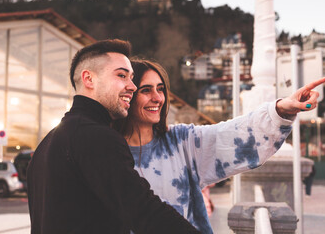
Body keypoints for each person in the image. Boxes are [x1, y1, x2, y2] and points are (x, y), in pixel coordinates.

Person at [113, 59, 325, 233]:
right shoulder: (106, 151)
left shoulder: (180, 142)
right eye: (146, 90)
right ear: (128, 95)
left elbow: (231, 135)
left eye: (160, 89)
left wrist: (281, 109)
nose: (157, 98)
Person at [27, 40, 200, 234]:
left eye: (132, 78)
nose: (132, 86)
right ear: (89, 79)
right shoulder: (98, 138)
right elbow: (145, 212)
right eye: (121, 75)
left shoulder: (47, 144)